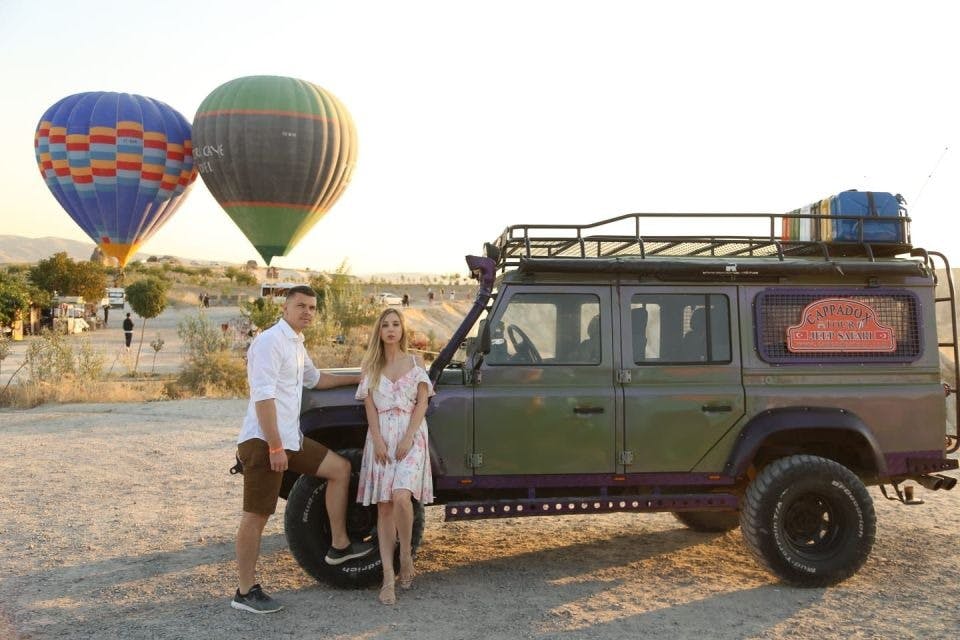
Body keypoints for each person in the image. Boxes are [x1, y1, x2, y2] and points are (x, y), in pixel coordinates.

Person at [232, 285, 374, 614]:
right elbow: (263, 397)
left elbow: (316, 379)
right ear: (285, 309)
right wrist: (275, 447)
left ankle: (339, 545)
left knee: (340, 469)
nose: (307, 312)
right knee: (256, 516)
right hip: (264, 441)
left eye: (312, 307)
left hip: (290, 439)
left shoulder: (296, 342)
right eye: (300, 306)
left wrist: (359, 376)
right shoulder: (270, 341)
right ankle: (244, 592)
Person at [355, 308, 434, 605]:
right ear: (379, 331)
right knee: (385, 507)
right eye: (385, 325)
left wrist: (409, 436)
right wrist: (377, 440)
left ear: (402, 330)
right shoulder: (370, 366)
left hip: (410, 435)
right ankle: (388, 578)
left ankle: (406, 555)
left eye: (396, 324)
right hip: (381, 439)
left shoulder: (415, 361)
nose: (391, 329)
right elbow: (369, 408)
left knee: (402, 496)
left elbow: (423, 402)